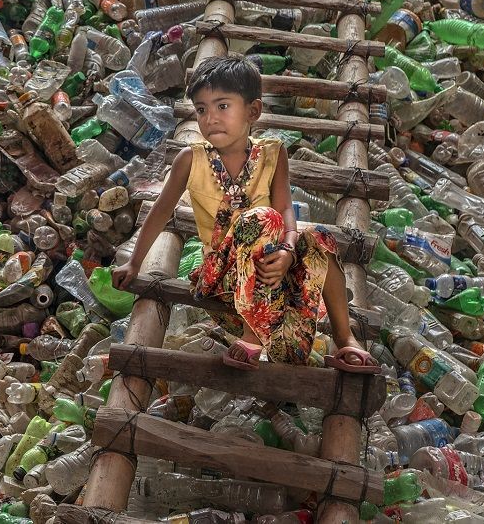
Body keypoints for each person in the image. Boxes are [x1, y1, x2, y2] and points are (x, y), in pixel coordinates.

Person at [112, 56, 379, 372]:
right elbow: (159, 213)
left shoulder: (272, 153)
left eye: (222, 106)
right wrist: (134, 262)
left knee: (317, 239)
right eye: (201, 109)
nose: (210, 118)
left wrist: (288, 252)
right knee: (260, 218)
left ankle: (345, 338)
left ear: (253, 111)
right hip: (224, 277)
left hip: (273, 279)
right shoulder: (190, 159)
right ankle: (251, 334)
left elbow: (285, 212)